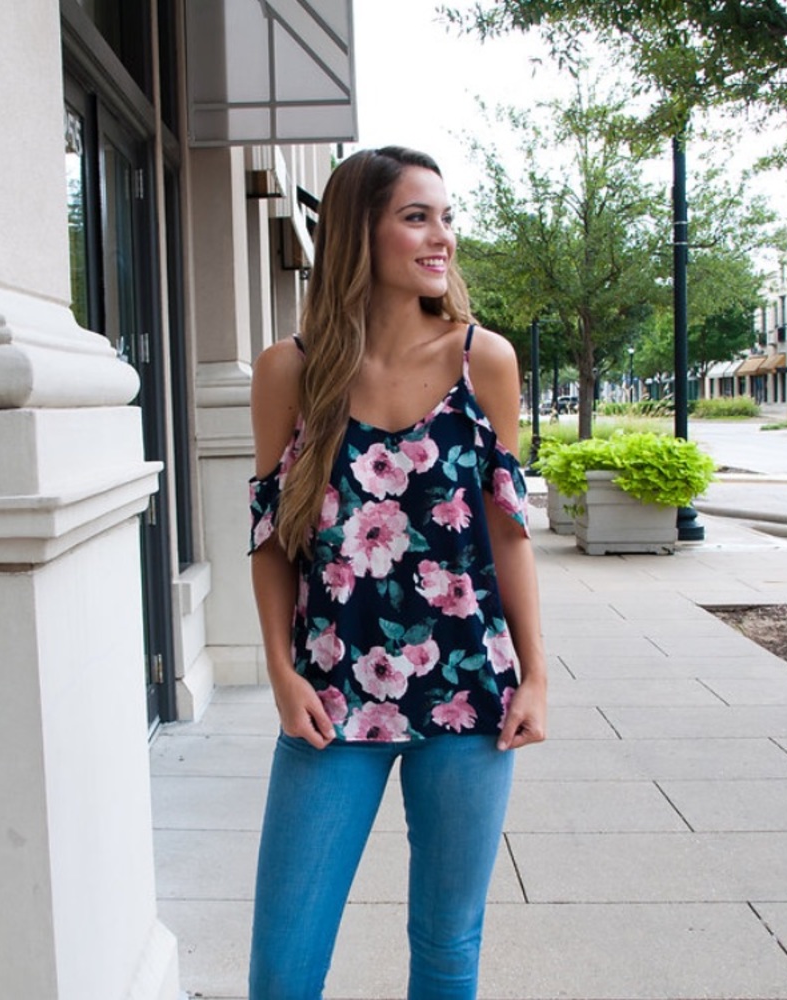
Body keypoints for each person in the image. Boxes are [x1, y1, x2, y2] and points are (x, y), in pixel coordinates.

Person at [247, 146, 547, 1000]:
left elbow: (507, 530)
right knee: (284, 962)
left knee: (448, 946)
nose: (441, 236)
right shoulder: (292, 372)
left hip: (469, 697)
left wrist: (537, 676)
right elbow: (271, 540)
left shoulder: (482, 361)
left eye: (446, 217)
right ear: (358, 234)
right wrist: (279, 672)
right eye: (417, 217)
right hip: (331, 694)